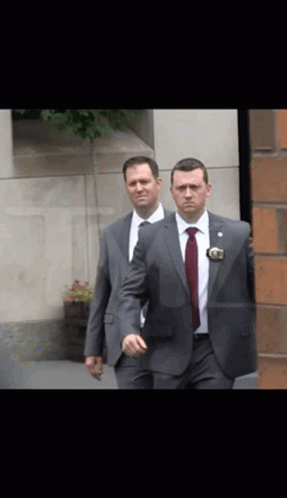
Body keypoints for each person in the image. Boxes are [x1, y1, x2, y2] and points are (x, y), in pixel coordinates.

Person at [118, 158, 256, 389]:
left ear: (208, 190)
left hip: (217, 351)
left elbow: (262, 285)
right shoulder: (151, 237)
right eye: (181, 188)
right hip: (167, 350)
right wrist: (128, 331)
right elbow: (131, 292)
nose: (188, 194)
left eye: (195, 187)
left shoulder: (236, 234)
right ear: (171, 192)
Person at [84, 156, 173, 388]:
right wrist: (93, 347)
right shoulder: (113, 233)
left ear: (158, 183)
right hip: (126, 345)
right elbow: (102, 291)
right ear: (126, 187)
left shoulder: (178, 227)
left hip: (170, 344)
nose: (139, 188)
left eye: (144, 181)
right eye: (132, 183)